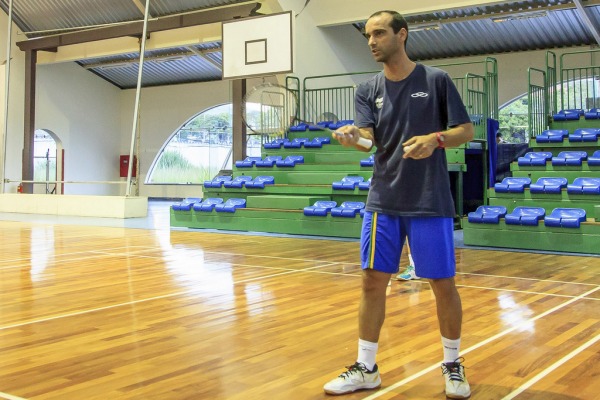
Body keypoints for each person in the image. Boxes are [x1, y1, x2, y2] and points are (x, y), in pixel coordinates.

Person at [323, 10, 474, 399]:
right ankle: (366, 367)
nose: (371, 41)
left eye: (379, 33)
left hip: (429, 200)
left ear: (401, 35)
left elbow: (465, 131)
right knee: (372, 282)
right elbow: (369, 141)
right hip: (383, 201)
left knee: (442, 284)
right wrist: (351, 138)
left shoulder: (435, 80)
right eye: (367, 36)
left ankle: (453, 365)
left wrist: (435, 139)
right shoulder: (366, 89)